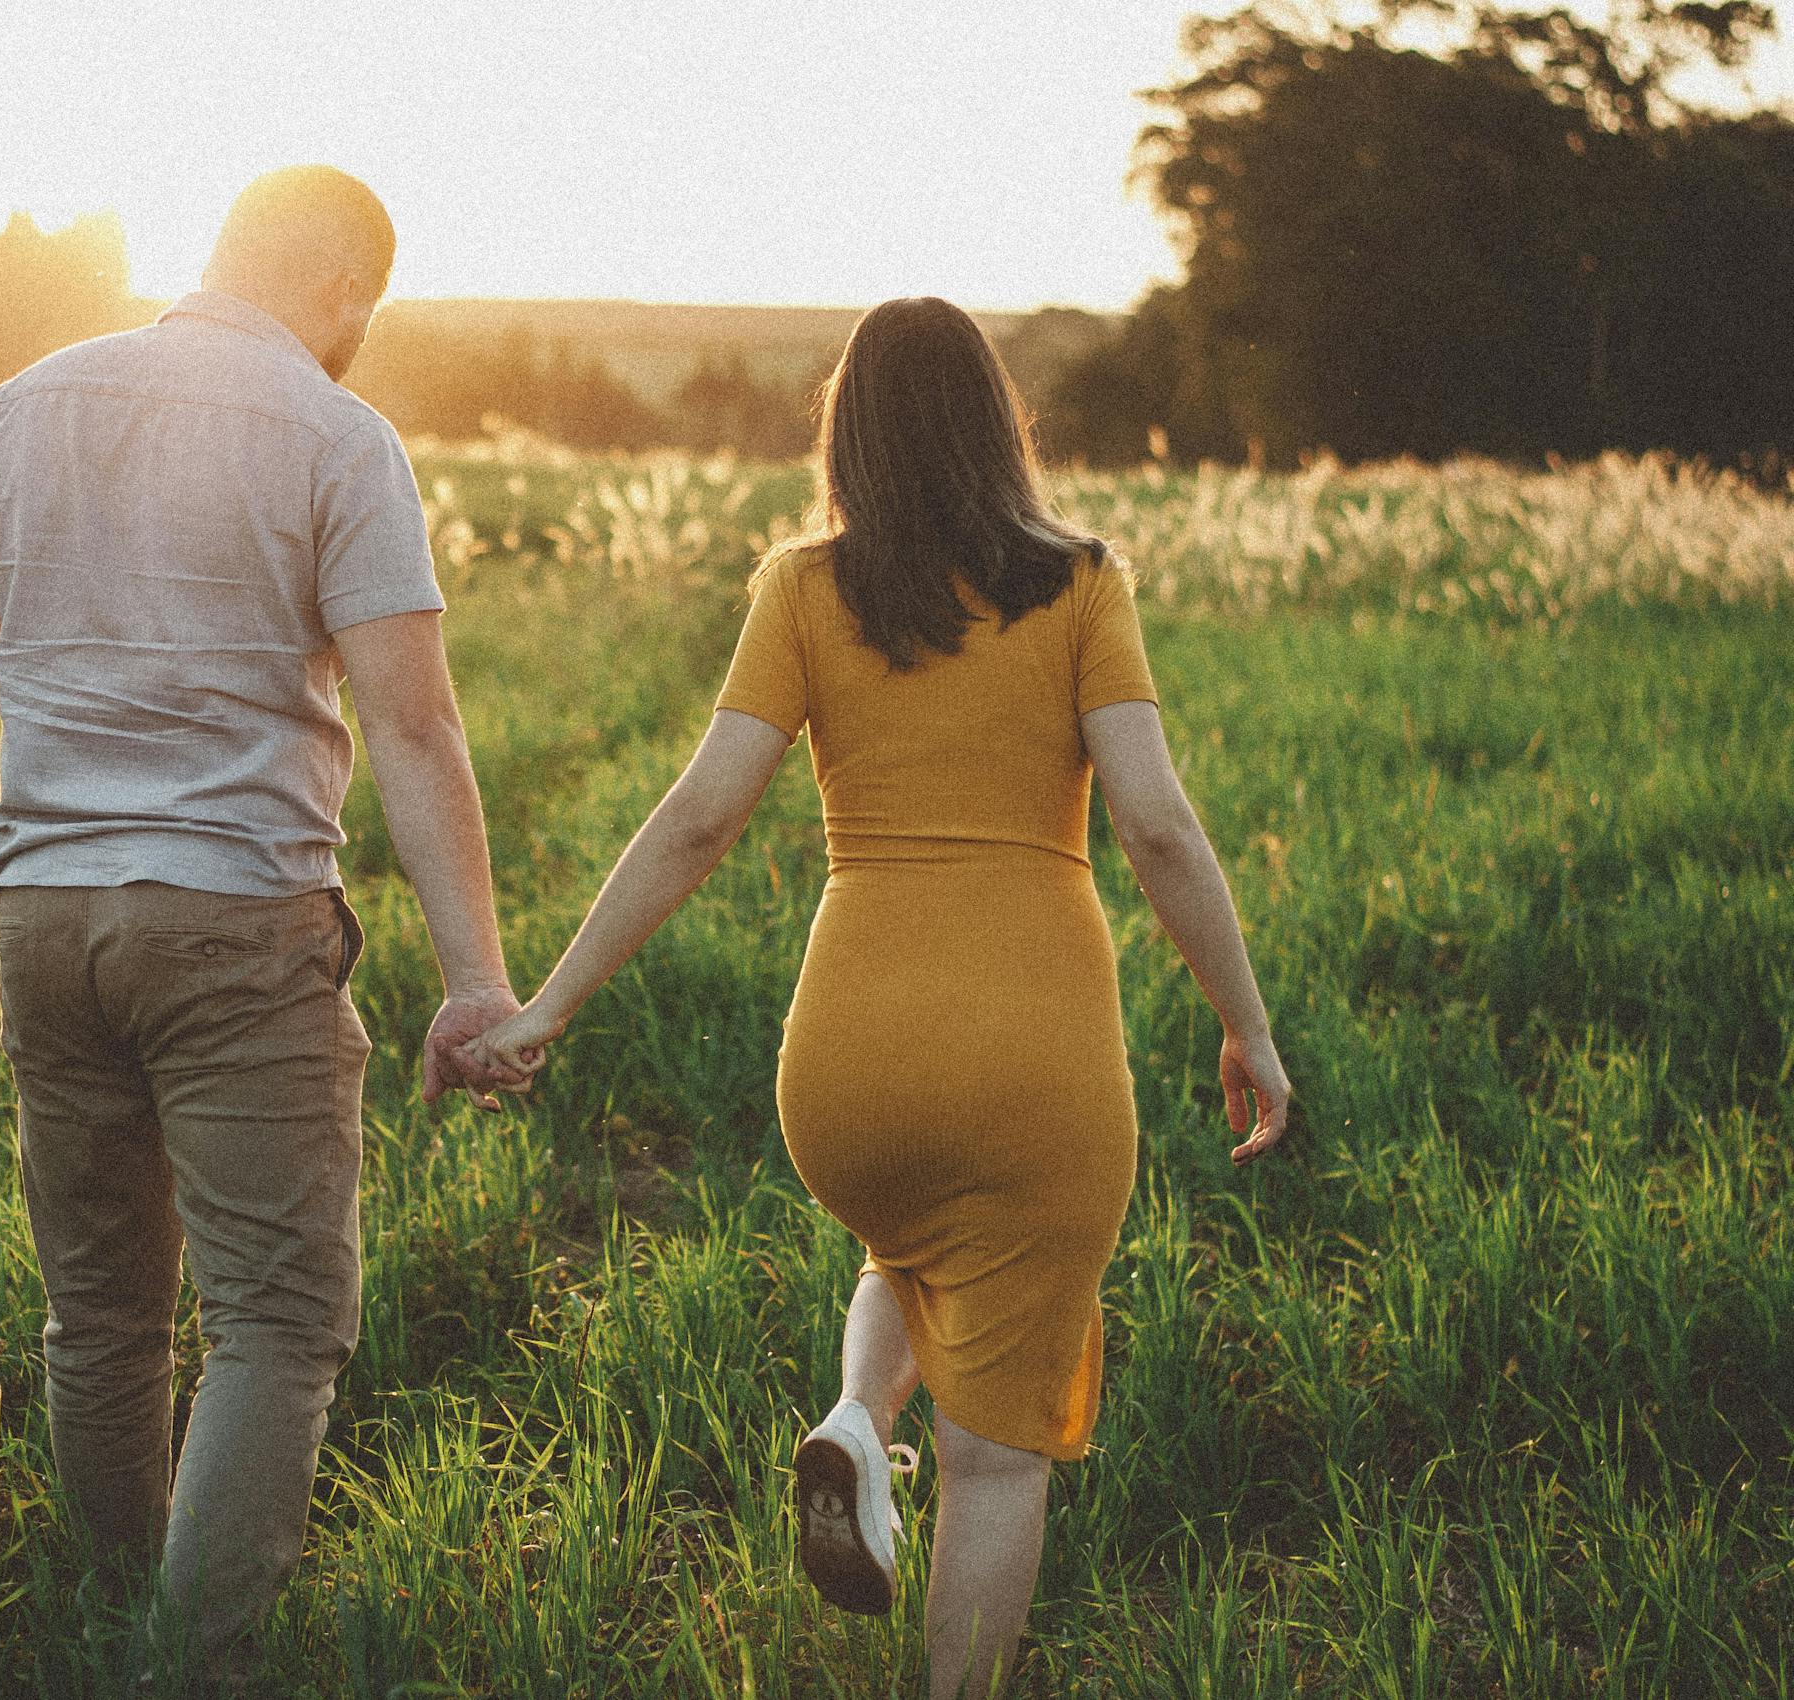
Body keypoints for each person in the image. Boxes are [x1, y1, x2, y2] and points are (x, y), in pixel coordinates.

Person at [462, 296, 1291, 1698]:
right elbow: (1157, 826)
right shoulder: (1082, 581)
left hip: (847, 1062)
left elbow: (699, 817)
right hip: (1035, 1056)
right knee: (999, 1459)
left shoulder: (803, 583)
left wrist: (548, 1002)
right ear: (997, 422)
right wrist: (1247, 1022)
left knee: (911, 1237)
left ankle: (856, 1416)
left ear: (847, 431)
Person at [0, 165, 520, 1678]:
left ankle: (114, 1627)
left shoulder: (16, 409)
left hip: (42, 921)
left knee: (101, 1319)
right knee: (279, 1321)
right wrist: (475, 975)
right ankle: (191, 1665)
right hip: (237, 922)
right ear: (349, 290)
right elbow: (414, 729)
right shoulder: (338, 435)